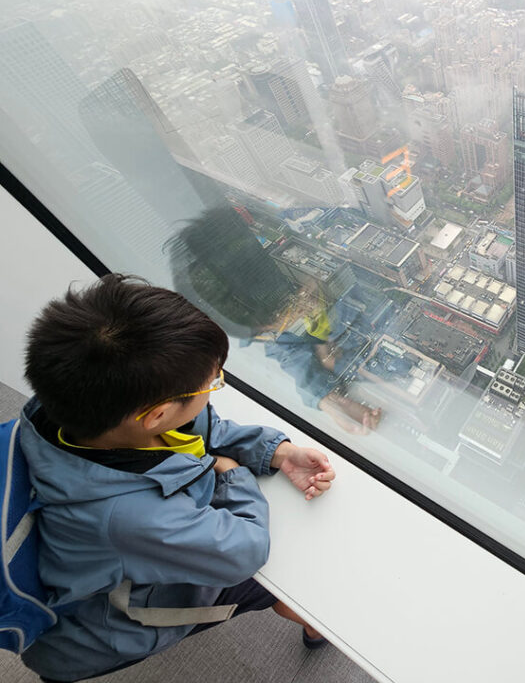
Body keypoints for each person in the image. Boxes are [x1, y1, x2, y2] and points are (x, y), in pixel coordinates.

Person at [18, 274, 344, 682]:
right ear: (156, 415)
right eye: (211, 384)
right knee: (291, 573)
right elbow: (244, 550)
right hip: (96, 636)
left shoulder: (70, 409)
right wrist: (235, 474)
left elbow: (198, 429)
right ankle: (312, 620)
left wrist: (275, 451)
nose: (213, 391)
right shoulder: (129, 518)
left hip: (97, 554)